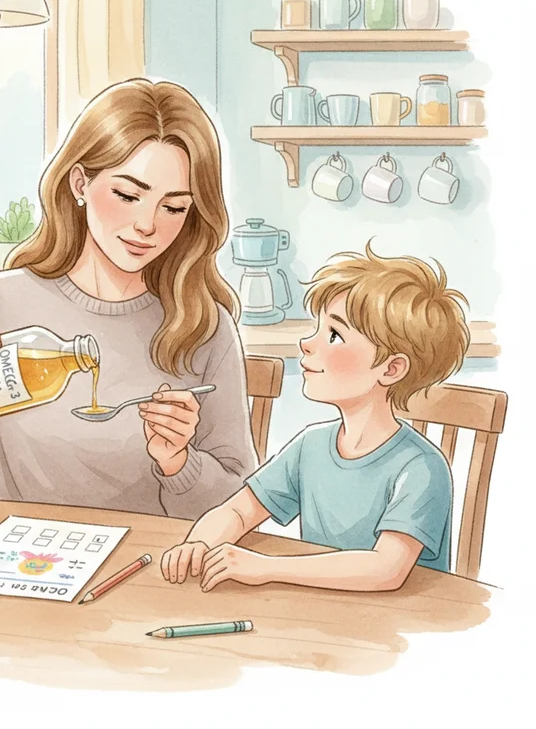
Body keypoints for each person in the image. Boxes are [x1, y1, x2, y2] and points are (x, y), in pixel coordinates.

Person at [0, 78, 258, 519]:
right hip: (17, 568)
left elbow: (240, 505)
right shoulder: (4, 302)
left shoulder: (201, 326)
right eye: (128, 195)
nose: (147, 225)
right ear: (80, 183)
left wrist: (180, 464)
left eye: (173, 207)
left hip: (146, 574)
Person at [161, 244, 470, 590]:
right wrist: (200, 543)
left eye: (334, 335)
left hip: (401, 630)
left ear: (392, 368)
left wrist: (269, 568)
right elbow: (238, 510)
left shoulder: (421, 467)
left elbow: (386, 569)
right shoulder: (312, 445)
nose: (307, 343)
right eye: (317, 328)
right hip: (324, 618)